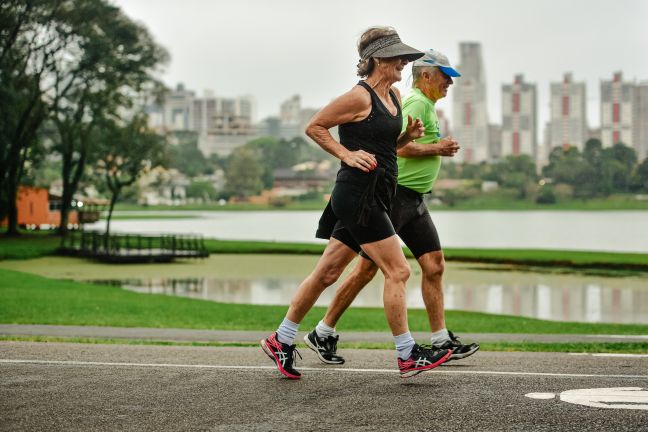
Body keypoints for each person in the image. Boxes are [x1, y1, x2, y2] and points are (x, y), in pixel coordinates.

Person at [261, 28, 453, 380]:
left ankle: (281, 339)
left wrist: (405, 138)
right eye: (398, 58)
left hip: (377, 192)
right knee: (398, 270)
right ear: (379, 59)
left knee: (327, 273)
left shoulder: (394, 95)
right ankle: (407, 354)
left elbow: (386, 146)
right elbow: (315, 126)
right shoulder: (359, 97)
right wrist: (345, 154)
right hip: (357, 196)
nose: (404, 64)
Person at [303, 49, 480, 366]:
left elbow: (397, 143)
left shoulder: (422, 104)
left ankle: (440, 339)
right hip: (394, 195)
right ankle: (324, 329)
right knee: (367, 269)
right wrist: (437, 146)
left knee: (434, 264)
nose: (448, 84)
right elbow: (396, 148)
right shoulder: (411, 101)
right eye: (444, 77)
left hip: (415, 200)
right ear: (426, 75)